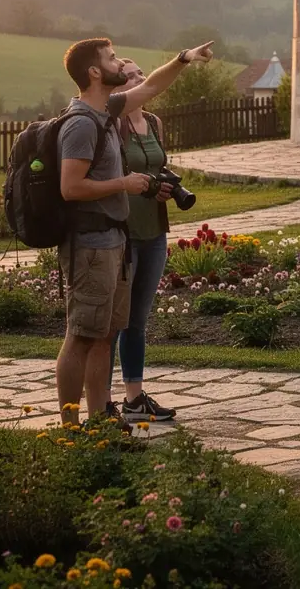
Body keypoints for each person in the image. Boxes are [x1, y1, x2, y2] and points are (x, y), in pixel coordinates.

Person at [56, 37, 214, 428]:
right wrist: (123, 184)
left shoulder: (108, 109)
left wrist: (184, 58)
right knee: (80, 335)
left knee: (106, 334)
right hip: (90, 243)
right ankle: (70, 427)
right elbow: (70, 188)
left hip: (115, 242)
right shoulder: (79, 123)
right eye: (111, 59)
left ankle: (101, 421)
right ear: (95, 72)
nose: (119, 64)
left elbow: (153, 87)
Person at [106, 59, 178, 422]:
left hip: (153, 231)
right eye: (131, 76)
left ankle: (134, 398)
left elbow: (156, 169)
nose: (140, 79)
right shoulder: (109, 123)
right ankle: (103, 401)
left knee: (137, 320)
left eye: (140, 74)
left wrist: (162, 188)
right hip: (122, 233)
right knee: (111, 321)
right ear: (119, 88)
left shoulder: (153, 123)